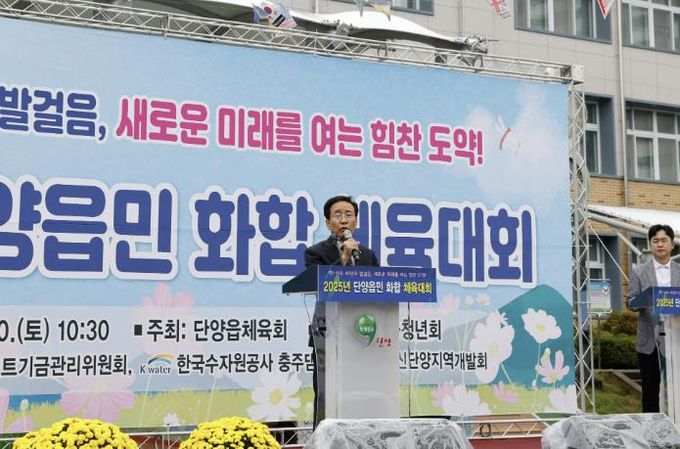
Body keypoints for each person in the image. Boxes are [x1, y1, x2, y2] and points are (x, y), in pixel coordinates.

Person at [303, 195, 379, 427]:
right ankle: (325, 439)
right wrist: (343, 257)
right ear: (328, 222)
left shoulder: (367, 255)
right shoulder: (315, 252)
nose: (344, 220)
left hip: (362, 334)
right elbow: (320, 284)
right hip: (328, 334)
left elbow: (379, 289)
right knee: (327, 395)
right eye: (338, 215)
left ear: (356, 221)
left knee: (363, 393)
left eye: (349, 215)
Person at [627, 224, 680, 413]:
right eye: (655, 241)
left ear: (672, 244)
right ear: (650, 244)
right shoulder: (639, 271)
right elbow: (631, 302)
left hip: (677, 336)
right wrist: (648, 298)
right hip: (650, 339)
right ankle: (651, 427)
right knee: (650, 389)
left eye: (664, 240)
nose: (660, 244)